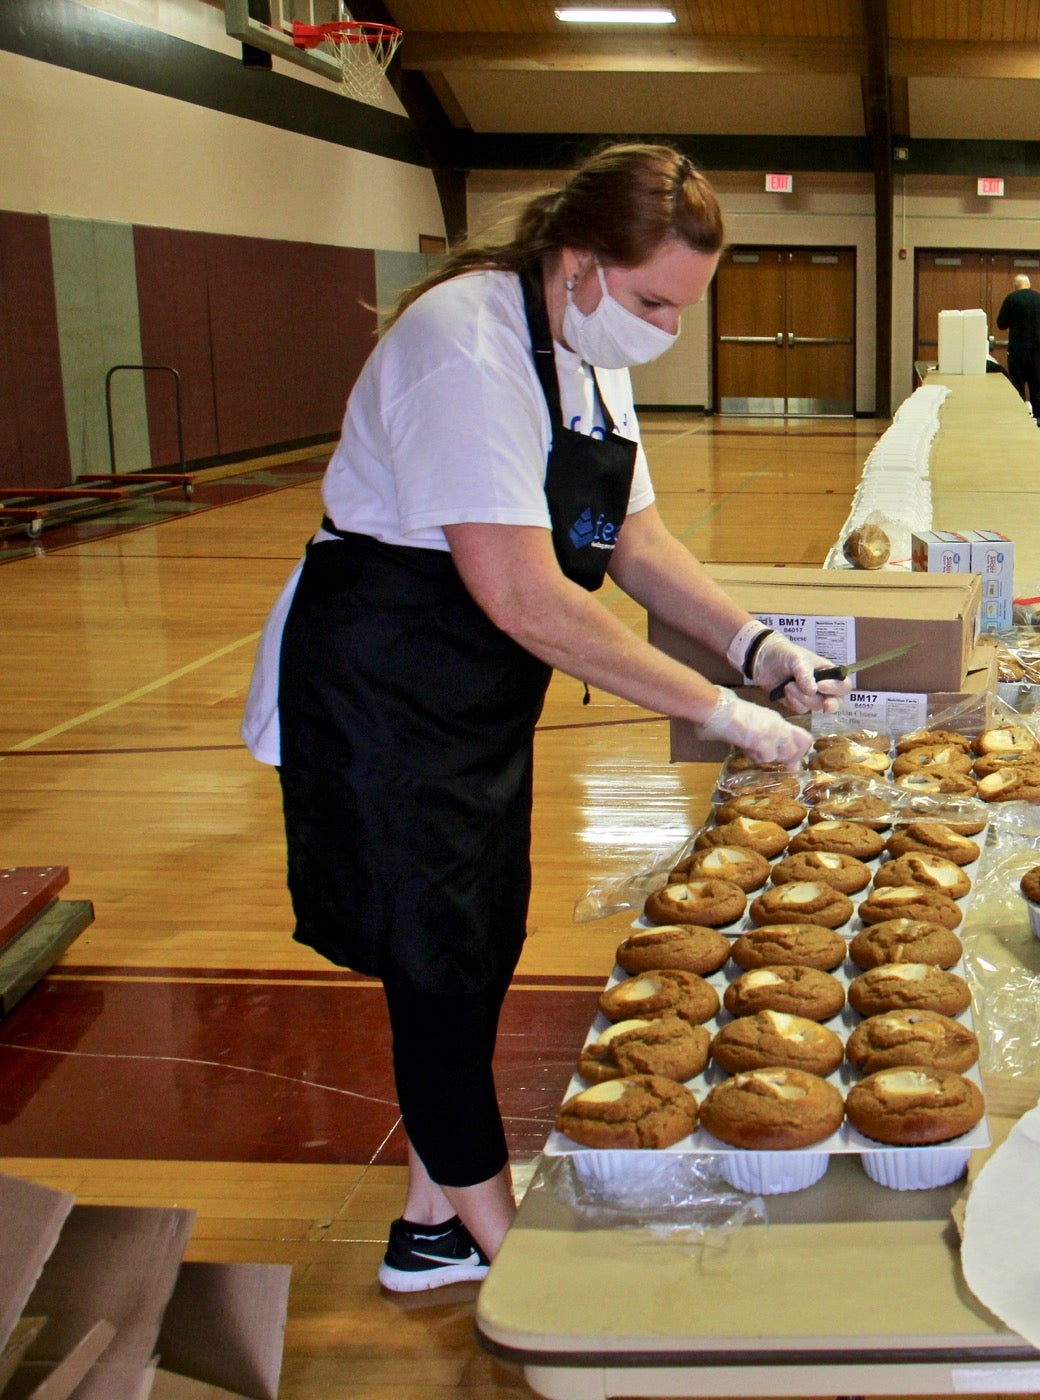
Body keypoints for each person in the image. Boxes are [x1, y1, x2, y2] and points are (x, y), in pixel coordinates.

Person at [239, 144, 844, 1294]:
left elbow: (634, 540)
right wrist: (723, 711)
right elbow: (522, 591)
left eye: (684, 305)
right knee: (437, 959)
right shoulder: (462, 344)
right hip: (388, 678)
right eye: (655, 300)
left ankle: (431, 1216)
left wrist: (755, 644)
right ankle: (504, 1248)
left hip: (472, 686)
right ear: (577, 264)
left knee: (476, 935)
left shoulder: (582, 352)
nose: (667, 327)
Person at [995, 273, 1040, 427]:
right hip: (1037, 349)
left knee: (1018, 385)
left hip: (1017, 350)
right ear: (1029, 284)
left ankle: (1020, 418)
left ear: (1015, 286)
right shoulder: (1039, 298)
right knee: (1037, 385)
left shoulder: (1012, 299)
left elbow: (1001, 323)